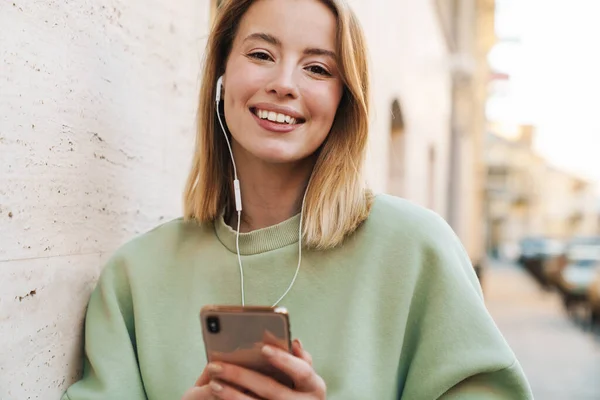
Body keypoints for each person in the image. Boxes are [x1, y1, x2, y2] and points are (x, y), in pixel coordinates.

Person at [62, 0, 534, 399]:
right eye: (262, 54)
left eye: (317, 68)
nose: (285, 83)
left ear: (343, 101)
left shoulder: (416, 250)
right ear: (222, 75)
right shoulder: (135, 276)